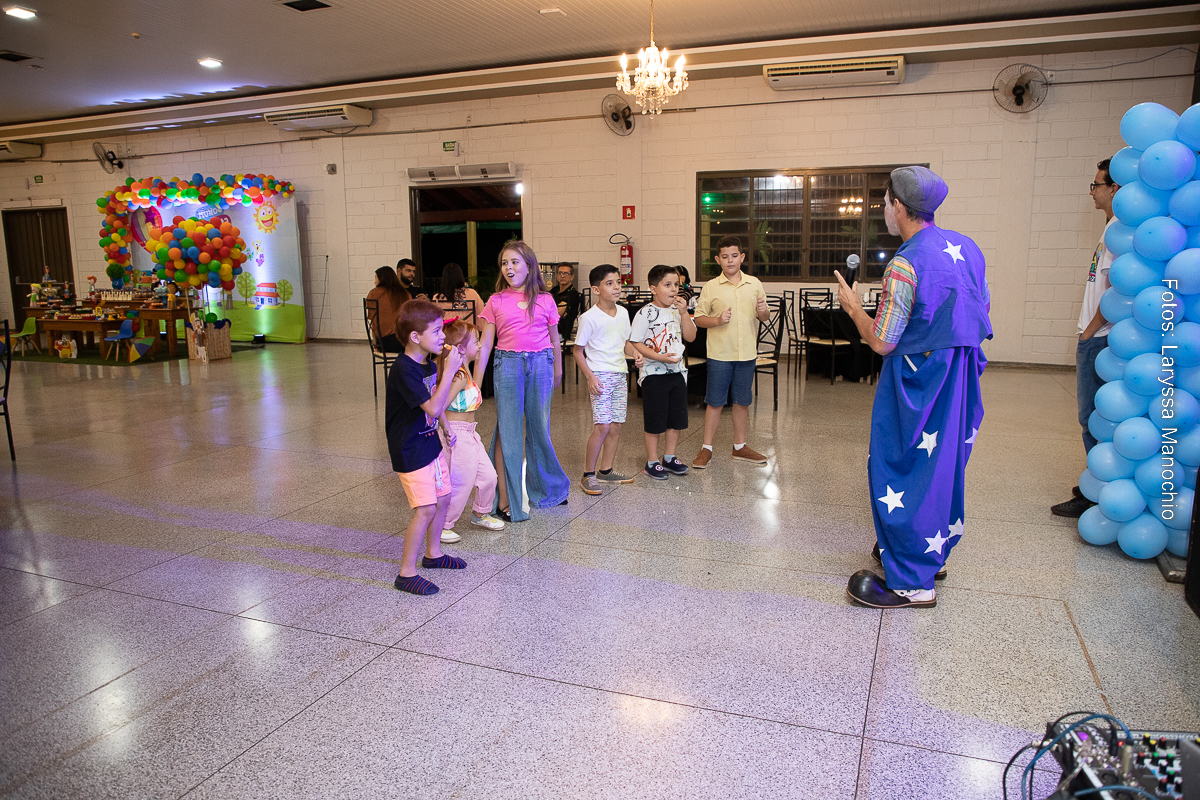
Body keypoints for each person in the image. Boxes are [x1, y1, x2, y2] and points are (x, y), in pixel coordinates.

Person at [838, 166, 992, 609]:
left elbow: (883, 341)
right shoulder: (967, 248)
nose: (884, 211)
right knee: (941, 465)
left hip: (918, 380)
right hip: (958, 376)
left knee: (901, 464)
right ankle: (929, 552)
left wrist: (854, 308)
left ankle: (911, 584)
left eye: (885, 203)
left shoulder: (904, 264)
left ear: (899, 208)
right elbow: (980, 309)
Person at [474, 241, 572, 521]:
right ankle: (506, 500)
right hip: (508, 365)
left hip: (541, 364)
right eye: (504, 263)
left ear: (530, 266)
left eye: (515, 262)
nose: (509, 268)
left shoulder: (546, 299)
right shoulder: (496, 300)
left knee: (540, 429)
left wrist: (558, 370)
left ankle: (547, 490)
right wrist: (475, 384)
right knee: (508, 431)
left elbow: (555, 339)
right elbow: (485, 344)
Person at [385, 299, 468, 596]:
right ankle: (406, 574)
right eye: (436, 331)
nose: (443, 336)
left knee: (443, 498)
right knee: (425, 509)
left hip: (429, 440)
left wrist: (445, 426)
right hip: (410, 448)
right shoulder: (404, 370)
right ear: (415, 337)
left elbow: (436, 402)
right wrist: (451, 372)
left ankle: (433, 554)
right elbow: (432, 406)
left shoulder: (428, 364)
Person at [1052, 159, 1120, 518]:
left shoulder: (1117, 231)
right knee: (1094, 417)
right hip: (1098, 335)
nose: (1092, 192)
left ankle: (1097, 492)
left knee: (1092, 418)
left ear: (1114, 189)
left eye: (1097, 185)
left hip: (1100, 337)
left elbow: (1115, 290)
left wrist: (1091, 331)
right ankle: (1097, 480)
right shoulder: (1110, 227)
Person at [691, 235, 771, 469]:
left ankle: (740, 446)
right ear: (718, 259)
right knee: (715, 402)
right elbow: (699, 318)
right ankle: (706, 448)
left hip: (746, 354)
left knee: (742, 401)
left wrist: (763, 310)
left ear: (742, 257)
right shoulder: (711, 286)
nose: (730, 260)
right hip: (720, 354)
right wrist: (717, 320)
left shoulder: (754, 284)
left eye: (734, 256)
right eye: (725, 257)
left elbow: (764, 317)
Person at [434, 319, 506, 542]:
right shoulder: (459, 376)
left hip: (470, 433)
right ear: (461, 348)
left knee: (488, 476)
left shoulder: (465, 371)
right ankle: (444, 524)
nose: (480, 345)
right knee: (461, 481)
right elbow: (439, 407)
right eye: (476, 341)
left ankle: (480, 512)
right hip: (458, 434)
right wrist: (447, 429)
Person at [573, 264, 641, 494]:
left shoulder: (623, 312)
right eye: (609, 283)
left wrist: (635, 353)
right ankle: (588, 474)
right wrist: (590, 377)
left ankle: (605, 470)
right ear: (596, 289)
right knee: (602, 426)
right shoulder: (589, 318)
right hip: (600, 376)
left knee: (616, 425)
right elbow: (577, 351)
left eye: (618, 282)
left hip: (620, 374)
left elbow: (625, 343)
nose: (616, 287)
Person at [630, 265, 697, 480]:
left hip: (677, 372)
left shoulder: (678, 310)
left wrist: (684, 313)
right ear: (653, 289)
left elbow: (691, 336)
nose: (673, 289)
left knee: (676, 418)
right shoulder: (645, 312)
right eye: (667, 285)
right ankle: (652, 461)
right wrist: (659, 357)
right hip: (654, 374)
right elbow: (635, 342)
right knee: (655, 419)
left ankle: (669, 457)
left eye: (676, 284)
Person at [366, 266, 412, 352]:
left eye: (376, 278)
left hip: (382, 344)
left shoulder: (373, 294)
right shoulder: (404, 294)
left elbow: (373, 321)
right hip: (403, 342)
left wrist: (375, 344)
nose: (374, 282)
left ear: (381, 279)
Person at [550, 263, 582, 342]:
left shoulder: (573, 294)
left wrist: (549, 311)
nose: (562, 276)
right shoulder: (554, 291)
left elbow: (556, 314)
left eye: (566, 273)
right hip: (548, 329)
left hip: (560, 334)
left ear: (572, 277)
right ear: (557, 276)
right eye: (560, 273)